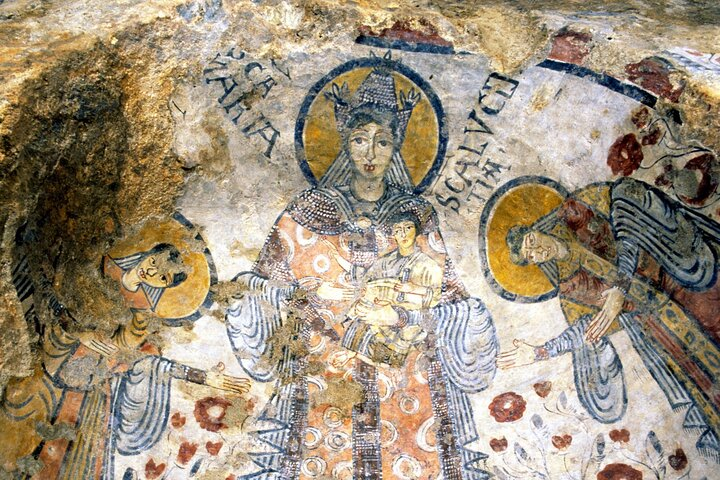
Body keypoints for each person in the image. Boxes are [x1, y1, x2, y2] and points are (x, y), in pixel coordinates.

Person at [226, 63, 498, 480]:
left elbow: (449, 300)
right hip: (325, 375)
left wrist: (402, 315)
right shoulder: (306, 212)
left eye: (382, 141)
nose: (370, 153)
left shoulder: (416, 215)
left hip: (405, 378)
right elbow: (259, 289)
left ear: (396, 147)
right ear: (344, 142)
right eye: (359, 140)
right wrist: (309, 298)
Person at [496, 177, 720, 462]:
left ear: (534, 229)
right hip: (660, 324)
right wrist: (540, 352)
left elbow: (628, 223)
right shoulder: (569, 284)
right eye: (532, 257)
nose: (539, 252)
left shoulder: (574, 215)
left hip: (675, 274)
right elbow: (585, 327)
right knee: (706, 379)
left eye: (532, 242)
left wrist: (620, 286)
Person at [1, 243, 250, 479]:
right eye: (155, 262)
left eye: (163, 277)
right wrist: (78, 332)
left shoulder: (142, 316)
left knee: (71, 462)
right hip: (47, 364)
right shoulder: (97, 267)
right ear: (147, 253)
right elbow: (50, 291)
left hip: (86, 395)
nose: (152, 272)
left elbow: (142, 359)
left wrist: (204, 377)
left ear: (164, 285)